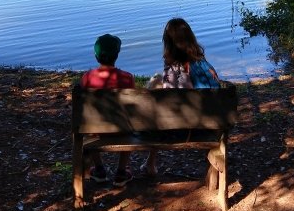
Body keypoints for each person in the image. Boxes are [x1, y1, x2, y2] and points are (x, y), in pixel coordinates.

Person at [142, 18, 221, 177]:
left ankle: (150, 163)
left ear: (168, 43)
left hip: (184, 130)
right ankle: (150, 163)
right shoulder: (204, 64)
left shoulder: (173, 67)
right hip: (213, 126)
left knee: (157, 113)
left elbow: (168, 102)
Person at [80, 33, 134, 186]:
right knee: (129, 123)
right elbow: (132, 109)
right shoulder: (127, 78)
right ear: (117, 55)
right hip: (121, 129)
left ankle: (99, 169)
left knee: (90, 124)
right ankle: (121, 172)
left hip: (95, 131)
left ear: (96, 56)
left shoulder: (87, 78)